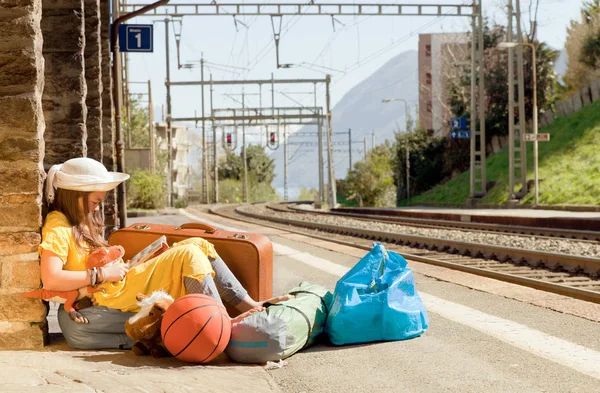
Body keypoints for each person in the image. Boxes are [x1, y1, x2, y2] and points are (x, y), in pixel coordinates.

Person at [39, 157, 288, 350]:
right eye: (95, 202)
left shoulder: (78, 222)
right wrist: (102, 273)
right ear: (76, 195)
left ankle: (250, 306)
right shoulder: (57, 226)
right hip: (109, 294)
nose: (98, 208)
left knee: (196, 243)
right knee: (187, 254)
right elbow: (51, 279)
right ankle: (219, 325)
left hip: (120, 283)